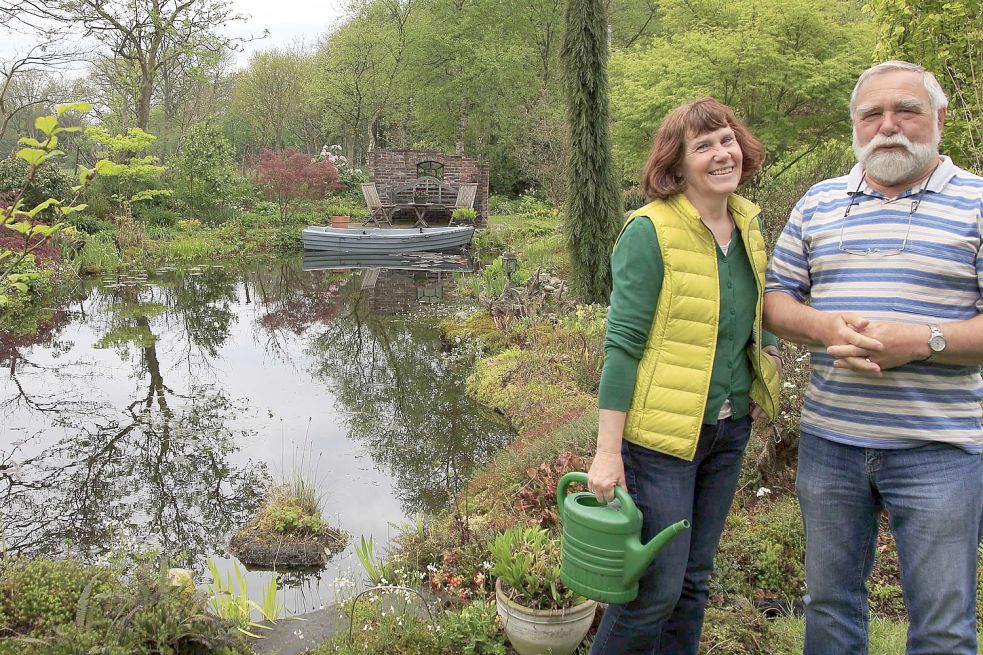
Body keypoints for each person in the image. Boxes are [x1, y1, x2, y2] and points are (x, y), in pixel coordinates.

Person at [764, 60, 983, 655]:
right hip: (831, 444)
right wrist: (823, 325)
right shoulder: (819, 202)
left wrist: (924, 341)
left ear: (937, 119)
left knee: (942, 626)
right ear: (856, 126)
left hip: (939, 449)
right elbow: (776, 300)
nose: (889, 126)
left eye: (905, 111)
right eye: (872, 114)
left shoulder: (977, 203)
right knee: (830, 610)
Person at [587, 97, 782, 655]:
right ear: (676, 164)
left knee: (694, 584)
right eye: (704, 146)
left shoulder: (747, 222)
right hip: (661, 443)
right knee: (653, 591)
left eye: (727, 140)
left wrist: (767, 354)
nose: (723, 154)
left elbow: (754, 309)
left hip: (727, 431)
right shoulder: (650, 232)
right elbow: (621, 346)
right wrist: (608, 452)